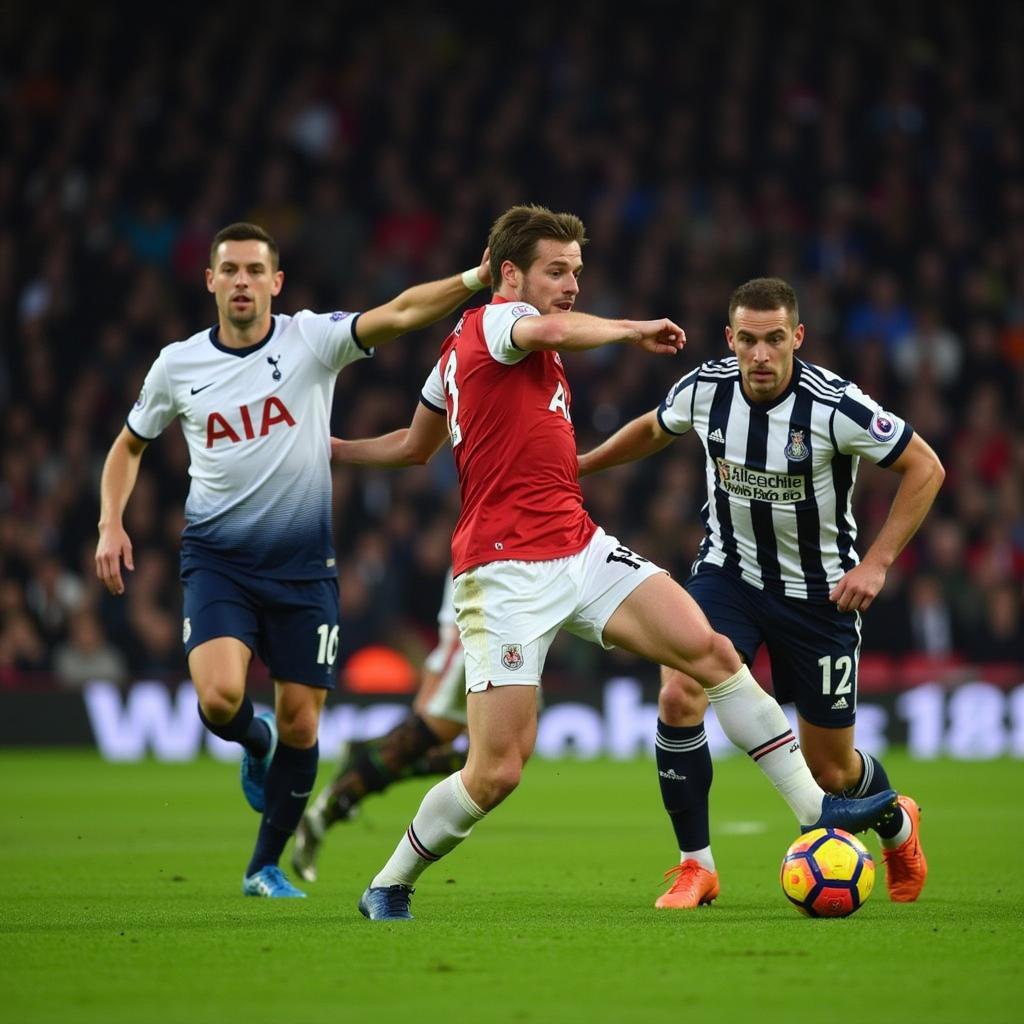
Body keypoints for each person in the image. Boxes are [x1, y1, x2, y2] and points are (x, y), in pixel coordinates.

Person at [328, 205, 898, 920]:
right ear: (510, 275)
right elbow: (553, 329)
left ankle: (819, 813)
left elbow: (413, 447)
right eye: (556, 272)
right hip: (504, 572)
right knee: (496, 770)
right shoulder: (496, 322)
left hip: (579, 544)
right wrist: (632, 329)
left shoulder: (459, 353)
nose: (570, 286)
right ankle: (389, 882)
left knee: (712, 653)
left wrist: (335, 450)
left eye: (576, 272)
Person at [95, 221, 493, 898]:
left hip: (305, 567)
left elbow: (396, 313)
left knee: (302, 720)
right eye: (232, 270)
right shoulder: (178, 364)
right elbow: (129, 444)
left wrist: (475, 281)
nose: (243, 281)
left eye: (256, 270)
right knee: (221, 700)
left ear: (276, 283)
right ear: (211, 281)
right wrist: (111, 523)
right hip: (219, 559)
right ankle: (254, 744)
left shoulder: (310, 339)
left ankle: (265, 866)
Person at [577, 277, 944, 908]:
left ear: (797, 337)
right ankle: (697, 866)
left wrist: (877, 564)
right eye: (748, 340)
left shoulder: (834, 405)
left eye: (775, 339)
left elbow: (926, 466)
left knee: (832, 770)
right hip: (730, 576)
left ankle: (896, 822)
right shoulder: (706, 388)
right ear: (731, 339)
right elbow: (653, 429)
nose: (762, 354)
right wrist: (578, 466)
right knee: (679, 692)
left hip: (820, 595)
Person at [291, 567, 469, 882]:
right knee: (485, 755)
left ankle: (361, 762)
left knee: (494, 754)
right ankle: (340, 800)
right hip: (486, 598)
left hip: (507, 587)